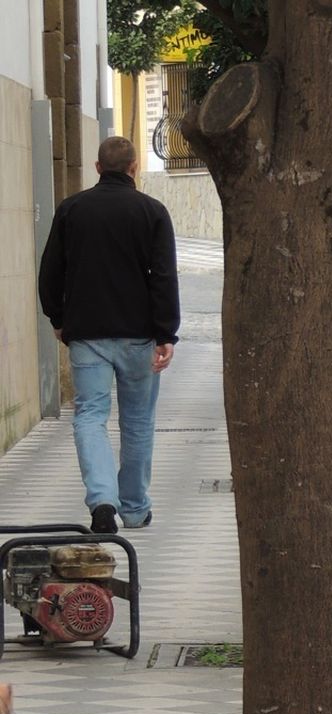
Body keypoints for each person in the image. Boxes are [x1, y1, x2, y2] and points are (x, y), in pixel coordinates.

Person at [38, 135, 180, 535]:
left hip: (87, 335)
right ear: (134, 167)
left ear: (98, 168)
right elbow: (164, 277)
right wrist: (166, 332)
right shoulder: (152, 212)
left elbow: (50, 271)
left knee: (90, 416)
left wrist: (58, 318)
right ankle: (134, 509)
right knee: (137, 421)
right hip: (139, 336)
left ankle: (102, 500)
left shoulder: (72, 209)